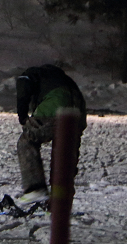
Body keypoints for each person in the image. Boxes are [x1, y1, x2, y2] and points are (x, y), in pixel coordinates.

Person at [13, 63, 87, 208]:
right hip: (78, 109)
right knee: (64, 157)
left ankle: (35, 188)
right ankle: (59, 204)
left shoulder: (31, 73)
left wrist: (23, 117)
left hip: (56, 103)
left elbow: (23, 89)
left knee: (27, 139)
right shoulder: (63, 79)